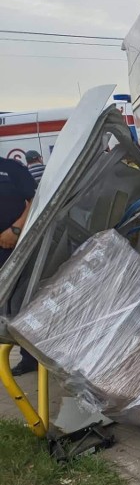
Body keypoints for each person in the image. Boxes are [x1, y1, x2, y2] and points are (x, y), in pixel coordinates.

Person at [0, 157, 38, 375]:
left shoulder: (11, 169)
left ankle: (31, 357)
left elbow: (36, 200)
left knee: (22, 302)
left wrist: (15, 230)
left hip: (13, 248)